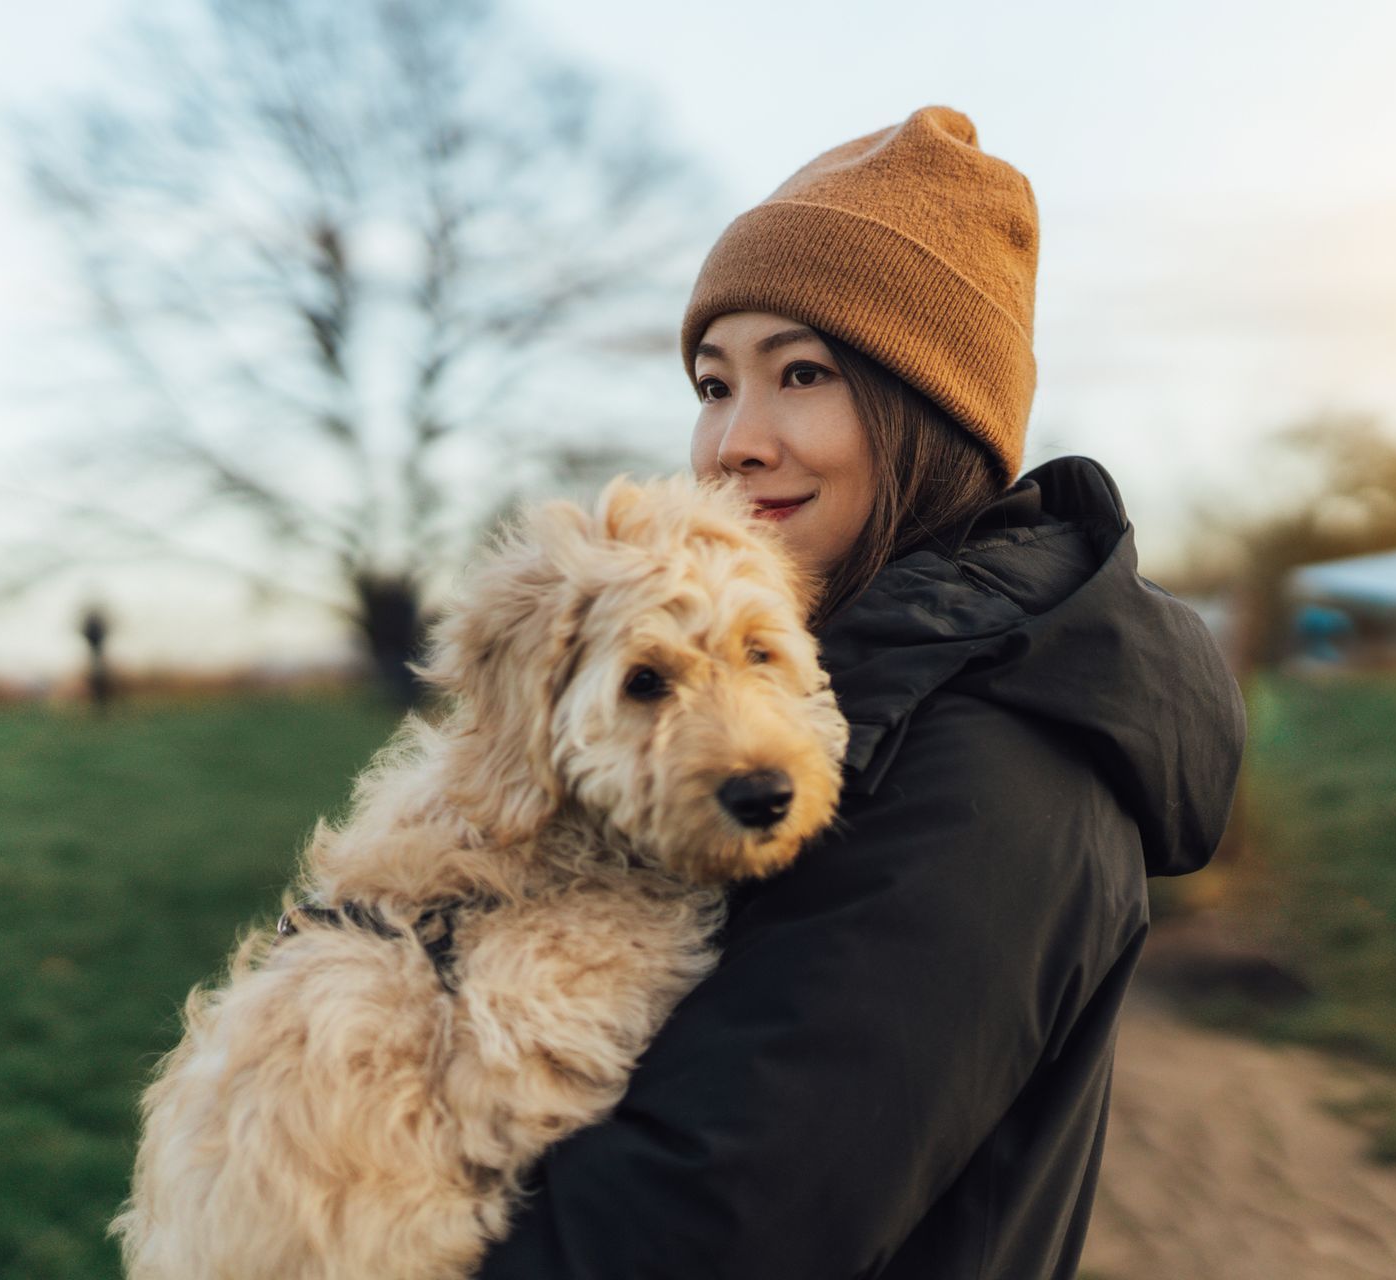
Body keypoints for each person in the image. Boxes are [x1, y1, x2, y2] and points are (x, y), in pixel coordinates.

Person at [479, 105, 1246, 1280]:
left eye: (801, 373)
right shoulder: (832, 690)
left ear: (931, 411)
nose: (734, 440)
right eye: (711, 381)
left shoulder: (998, 766)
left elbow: (700, 1228)